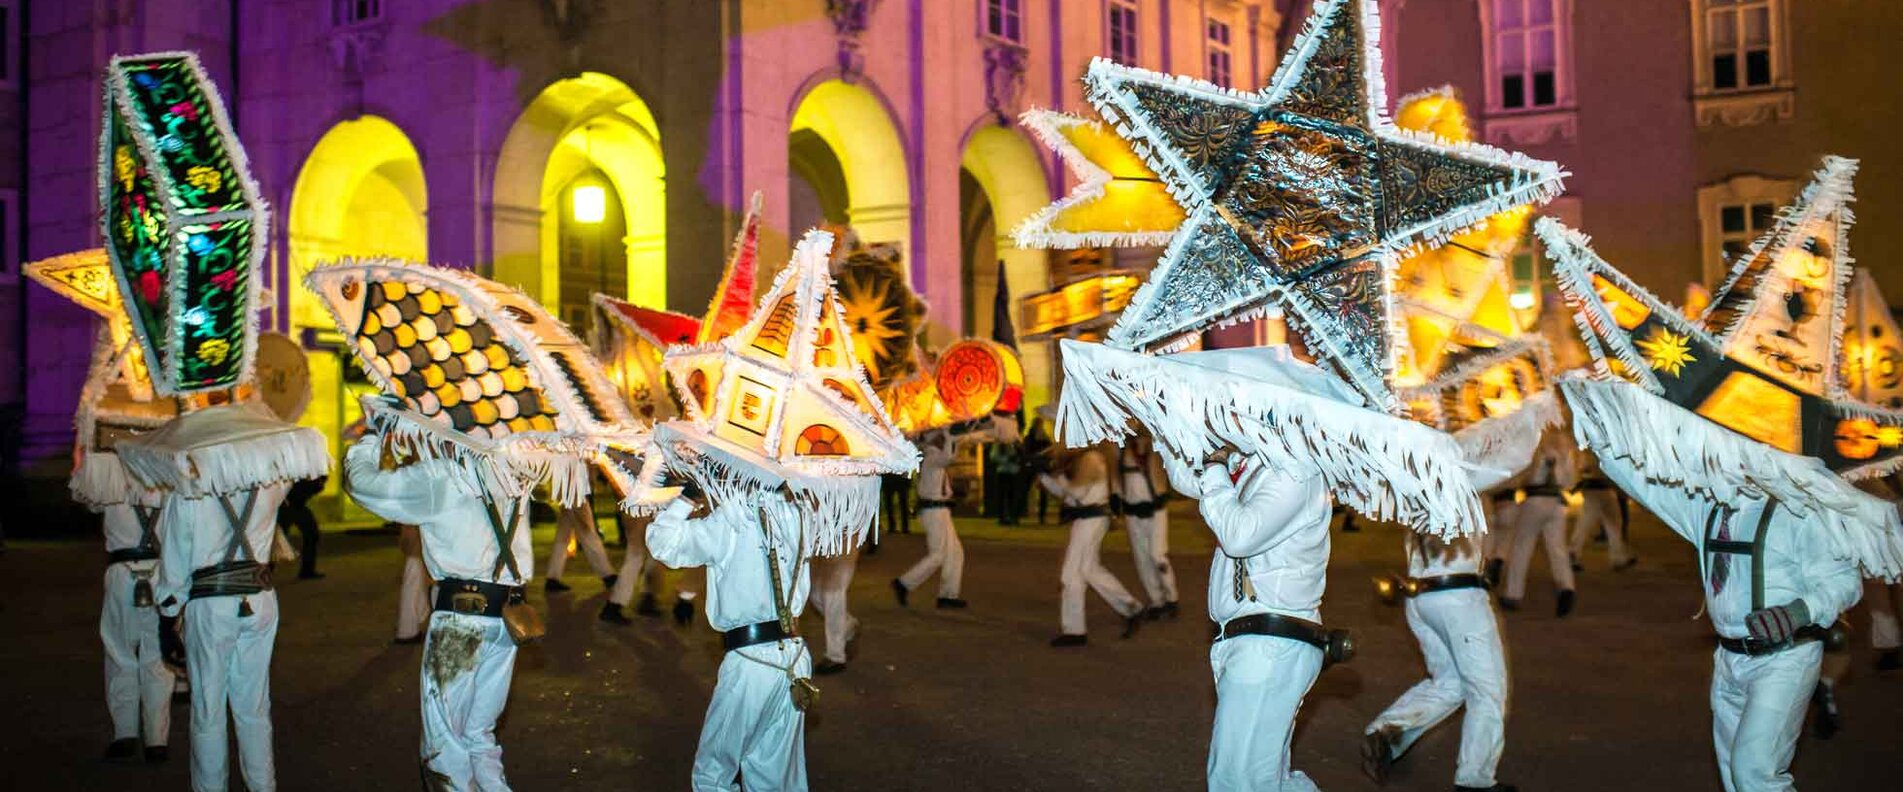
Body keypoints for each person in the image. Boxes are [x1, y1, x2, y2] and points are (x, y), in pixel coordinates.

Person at [1597, 453, 1862, 792]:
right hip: (1728, 658)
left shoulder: (1798, 510)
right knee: (1734, 779)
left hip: (1784, 659)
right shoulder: (1710, 508)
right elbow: (1645, 484)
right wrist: (1599, 426)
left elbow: (1844, 581)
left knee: (1754, 773)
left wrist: (1798, 612)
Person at [343, 430, 536, 791]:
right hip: (506, 620)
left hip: (460, 623)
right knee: (480, 735)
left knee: (443, 746)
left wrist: (369, 438)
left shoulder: (442, 476)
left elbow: (363, 485)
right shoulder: (513, 469)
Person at [1164, 448, 1332, 792]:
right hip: (1257, 644)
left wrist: (1213, 466)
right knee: (1266, 781)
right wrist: (1168, 426)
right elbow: (1188, 480)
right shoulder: (1256, 462)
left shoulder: (1296, 471)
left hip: (1271, 645)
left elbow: (1239, 535)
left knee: (1238, 780)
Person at [649, 470, 815, 791]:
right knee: (776, 773)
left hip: (751, 663)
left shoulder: (730, 520)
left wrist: (687, 499)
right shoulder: (798, 514)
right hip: (796, 657)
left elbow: (663, 543)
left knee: (713, 773)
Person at [151, 459, 294, 792]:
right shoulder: (270, 481)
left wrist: (169, 614)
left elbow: (174, 560)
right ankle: (263, 787)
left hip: (210, 604)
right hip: (260, 599)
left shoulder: (186, 490)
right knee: (255, 706)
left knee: (208, 709)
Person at [1363, 532, 1513, 792]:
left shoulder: (1413, 489)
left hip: (1420, 596)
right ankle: (1474, 780)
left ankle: (1387, 731)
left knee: (1450, 683)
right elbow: (1487, 487)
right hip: (1458, 597)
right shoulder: (1461, 488)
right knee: (1487, 691)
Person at [93, 474, 175, 764]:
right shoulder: (168, 473)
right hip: (160, 571)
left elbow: (89, 500)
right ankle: (157, 740)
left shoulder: (107, 474)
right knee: (157, 657)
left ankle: (125, 733)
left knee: (119, 653)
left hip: (121, 571)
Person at [1039, 448, 1143, 646]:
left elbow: (1076, 492)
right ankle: (1131, 608)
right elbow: (1066, 494)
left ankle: (1075, 631)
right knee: (1089, 570)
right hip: (1088, 519)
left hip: (1090, 519)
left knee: (1071, 574)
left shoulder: (1091, 458)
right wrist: (1043, 475)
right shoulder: (1085, 458)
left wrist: (1056, 474)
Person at [1500, 438, 1576, 617]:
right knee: (1558, 549)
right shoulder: (1564, 447)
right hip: (1557, 502)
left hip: (1535, 499)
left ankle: (1513, 593)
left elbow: (1525, 476)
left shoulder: (1534, 445)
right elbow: (1569, 481)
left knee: (1522, 547)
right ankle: (1566, 587)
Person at [894, 430, 966, 609]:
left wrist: (953, 437)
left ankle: (948, 595)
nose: (943, 438)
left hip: (939, 510)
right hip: (934, 511)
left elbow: (949, 457)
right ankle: (904, 583)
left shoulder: (931, 456)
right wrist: (951, 436)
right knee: (938, 555)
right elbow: (949, 458)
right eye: (940, 436)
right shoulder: (932, 456)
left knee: (955, 553)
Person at [1116, 435, 1178, 618]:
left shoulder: (1157, 443)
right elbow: (1117, 475)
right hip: (1132, 511)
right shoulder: (1120, 447)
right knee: (1142, 558)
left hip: (1155, 509)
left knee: (1157, 554)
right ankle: (1157, 600)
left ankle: (1172, 597)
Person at [1569, 454, 1635, 572]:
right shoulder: (1591, 450)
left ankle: (1618, 558)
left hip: (1603, 490)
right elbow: (1584, 468)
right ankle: (1572, 554)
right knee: (1586, 524)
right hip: (1596, 489)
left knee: (1613, 524)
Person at [808, 547, 861, 675]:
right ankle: (848, 625)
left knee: (832, 592)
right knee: (815, 594)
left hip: (843, 534)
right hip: (819, 538)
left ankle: (836, 656)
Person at [545, 501, 616, 593]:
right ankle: (607, 574)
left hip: (567, 494)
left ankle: (552, 577)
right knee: (586, 532)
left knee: (564, 535)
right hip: (576, 494)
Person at [276, 474, 328, 580]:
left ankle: (307, 571)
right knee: (277, 539)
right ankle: (264, 570)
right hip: (288, 504)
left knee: (311, 534)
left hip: (296, 505)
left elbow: (315, 488)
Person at [394, 523, 430, 644]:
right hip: (417, 544)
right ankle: (407, 630)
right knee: (413, 585)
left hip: (416, 543)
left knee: (415, 584)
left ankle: (409, 627)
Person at [1022, 416, 1054, 525]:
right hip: (1036, 466)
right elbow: (1027, 451)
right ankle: (1036, 515)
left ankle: (1041, 516)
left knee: (1041, 492)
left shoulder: (1043, 437)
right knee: (1028, 489)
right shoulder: (1034, 437)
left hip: (1039, 466)